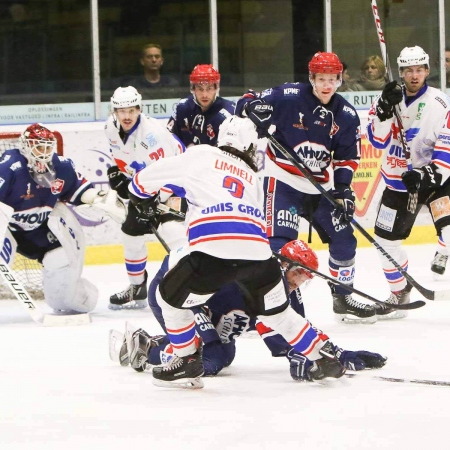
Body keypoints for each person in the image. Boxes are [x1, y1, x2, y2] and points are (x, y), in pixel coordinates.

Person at [124, 115, 348, 388]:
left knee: (168, 299)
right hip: (259, 254)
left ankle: (186, 359)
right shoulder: (252, 175)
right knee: (279, 314)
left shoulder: (200, 155)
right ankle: (321, 357)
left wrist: (141, 198)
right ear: (250, 146)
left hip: (212, 251)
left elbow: (141, 182)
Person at [110, 239, 387, 380]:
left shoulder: (281, 286)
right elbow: (277, 333)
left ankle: (163, 343)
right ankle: (146, 349)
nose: (300, 282)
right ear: (285, 266)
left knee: (224, 354)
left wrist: (337, 352)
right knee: (210, 358)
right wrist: (203, 318)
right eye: (300, 274)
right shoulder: (258, 279)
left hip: (205, 301)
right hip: (179, 294)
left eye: (305, 278)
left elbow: (295, 329)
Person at [235, 51, 377, 324]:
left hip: (320, 187)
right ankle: (267, 302)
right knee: (278, 244)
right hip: (283, 181)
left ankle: (343, 297)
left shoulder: (346, 114)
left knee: (345, 239)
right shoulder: (288, 95)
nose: (326, 85)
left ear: (340, 80)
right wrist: (254, 110)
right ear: (311, 78)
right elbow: (245, 101)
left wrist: (344, 189)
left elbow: (347, 157)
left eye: (332, 79)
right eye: (321, 78)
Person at [0, 123, 125, 314]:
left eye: (48, 147)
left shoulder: (61, 167)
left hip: (39, 233)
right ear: (26, 146)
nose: (44, 152)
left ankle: (75, 297)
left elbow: (78, 191)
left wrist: (98, 199)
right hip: (8, 229)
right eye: (38, 147)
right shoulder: (9, 167)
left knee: (61, 268)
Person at [366, 45, 450, 319]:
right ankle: (400, 292)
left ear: (427, 70)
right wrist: (383, 109)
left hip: (436, 181)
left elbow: (446, 152)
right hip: (397, 182)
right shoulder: (389, 98)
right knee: (383, 243)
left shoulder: (440, 104)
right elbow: (376, 140)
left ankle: (443, 249)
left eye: (419, 69)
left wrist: (426, 175)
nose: (414, 75)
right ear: (401, 73)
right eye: (409, 70)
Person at [105, 86, 186, 310]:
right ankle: (137, 287)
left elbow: (171, 172)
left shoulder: (153, 135)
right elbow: (124, 159)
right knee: (130, 235)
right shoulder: (110, 129)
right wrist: (120, 176)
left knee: (175, 238)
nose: (127, 116)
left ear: (139, 109)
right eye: (121, 111)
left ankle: (195, 287)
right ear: (114, 112)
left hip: (177, 188)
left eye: (131, 110)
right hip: (144, 190)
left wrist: (157, 199)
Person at [167, 64, 235, 147]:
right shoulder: (183, 108)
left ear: (216, 88)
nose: (204, 95)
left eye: (209, 88)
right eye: (200, 89)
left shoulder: (229, 114)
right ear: (193, 89)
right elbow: (168, 140)